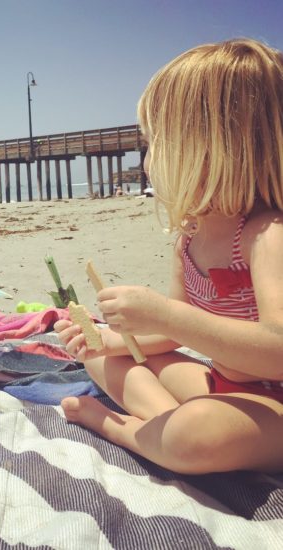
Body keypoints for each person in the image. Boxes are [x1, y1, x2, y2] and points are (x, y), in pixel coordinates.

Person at [55, 38, 283, 475]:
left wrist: (164, 315)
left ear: (217, 146)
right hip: (225, 386)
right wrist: (116, 339)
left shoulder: (265, 234)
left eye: (156, 141)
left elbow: (275, 350)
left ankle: (129, 431)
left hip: (273, 406)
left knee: (197, 432)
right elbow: (175, 332)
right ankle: (163, 427)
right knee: (101, 356)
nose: (147, 158)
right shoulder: (190, 238)